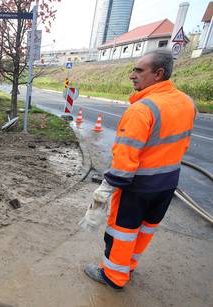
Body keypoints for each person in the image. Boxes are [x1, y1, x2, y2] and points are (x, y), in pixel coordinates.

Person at [84, 49, 196, 290]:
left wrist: (108, 186)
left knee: (121, 232)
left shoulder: (142, 109)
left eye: (138, 70)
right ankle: (128, 267)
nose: (132, 75)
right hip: (167, 185)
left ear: (158, 74)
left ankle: (113, 276)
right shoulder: (187, 103)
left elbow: (125, 159)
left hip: (137, 187)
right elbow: (181, 144)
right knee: (144, 230)